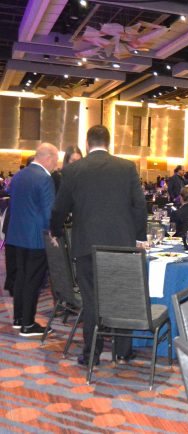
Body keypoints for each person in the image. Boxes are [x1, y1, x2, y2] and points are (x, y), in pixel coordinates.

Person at [51, 125, 147, 366]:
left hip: (87, 245)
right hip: (121, 246)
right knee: (121, 296)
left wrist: (56, 231)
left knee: (91, 300)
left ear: (87, 143)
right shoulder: (126, 167)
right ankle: (123, 351)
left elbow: (59, 208)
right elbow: (139, 205)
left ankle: (92, 354)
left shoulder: (73, 170)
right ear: (109, 142)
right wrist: (139, 237)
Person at [6, 143, 59, 336]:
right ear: (48, 158)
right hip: (35, 238)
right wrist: (54, 234)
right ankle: (28, 324)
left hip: (16, 236)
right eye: (55, 160)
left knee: (21, 277)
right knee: (33, 280)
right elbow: (49, 212)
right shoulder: (44, 178)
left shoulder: (19, 175)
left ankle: (19, 318)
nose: (56, 165)